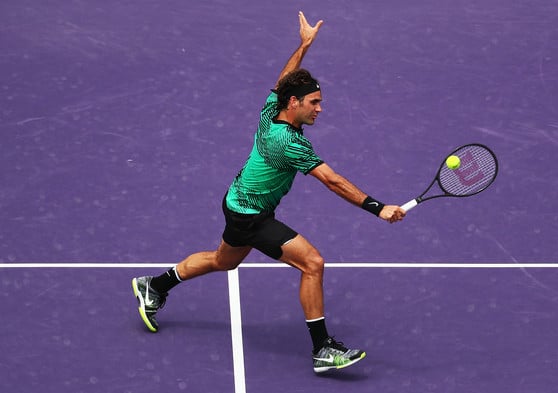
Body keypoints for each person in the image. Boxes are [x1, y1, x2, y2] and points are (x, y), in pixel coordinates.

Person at [132, 11, 406, 373]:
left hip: (237, 202)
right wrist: (378, 207)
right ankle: (322, 349)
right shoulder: (288, 143)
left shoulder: (271, 109)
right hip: (250, 215)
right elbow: (333, 180)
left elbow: (283, 80)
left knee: (222, 261)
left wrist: (304, 45)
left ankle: (154, 285)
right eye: (314, 103)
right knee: (313, 263)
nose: (320, 108)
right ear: (295, 104)